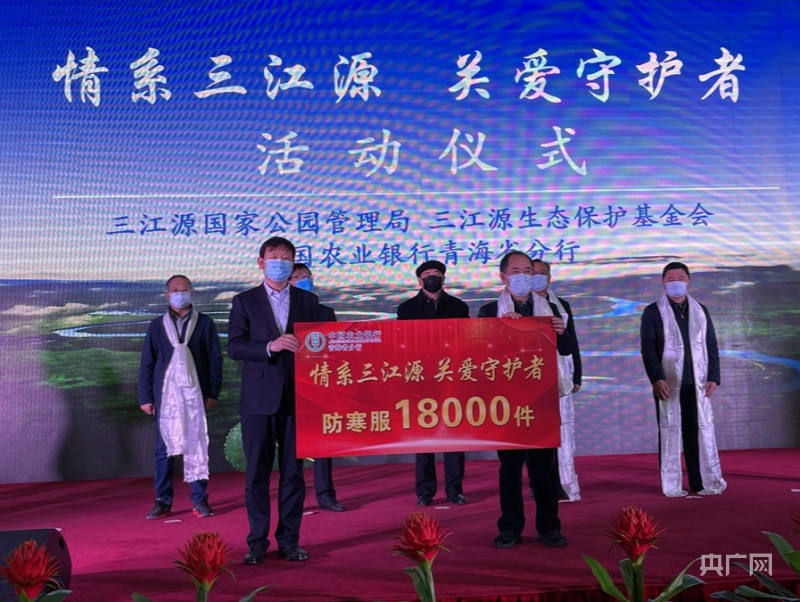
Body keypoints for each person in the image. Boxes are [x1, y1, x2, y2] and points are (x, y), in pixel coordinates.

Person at [228, 237, 323, 565]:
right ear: (261, 262)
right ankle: (257, 541)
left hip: (298, 397)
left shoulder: (308, 301)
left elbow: (322, 344)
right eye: (274, 257)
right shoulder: (244, 301)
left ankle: (289, 540)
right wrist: (270, 346)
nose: (280, 263)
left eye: (286, 258)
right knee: (257, 472)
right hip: (258, 398)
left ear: (293, 263)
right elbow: (235, 346)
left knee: (293, 473)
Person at [478, 251, 575, 548]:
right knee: (509, 469)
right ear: (503, 277)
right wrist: (500, 328)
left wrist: (561, 332)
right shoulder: (489, 310)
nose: (524, 276)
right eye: (517, 271)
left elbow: (567, 349)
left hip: (541, 399)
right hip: (507, 402)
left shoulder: (552, 308)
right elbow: (480, 353)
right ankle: (510, 527)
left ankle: (549, 527)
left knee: (543, 469)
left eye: (528, 271)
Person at [138, 274, 222, 520]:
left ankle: (199, 499)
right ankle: (163, 499)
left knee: (196, 444)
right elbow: (147, 363)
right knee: (164, 448)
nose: (179, 294)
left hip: (196, 395)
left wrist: (212, 392)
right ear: (167, 294)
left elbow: (215, 360)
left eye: (184, 289)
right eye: (175, 290)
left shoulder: (204, 323)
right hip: (165, 397)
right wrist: (146, 397)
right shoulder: (157, 325)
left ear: (191, 293)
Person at [640, 261, 726, 497]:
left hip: (697, 383)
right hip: (668, 383)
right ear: (663, 283)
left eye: (680, 278)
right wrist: (656, 378)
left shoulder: (701, 311)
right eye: (670, 279)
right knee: (670, 432)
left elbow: (711, 345)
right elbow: (648, 349)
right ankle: (671, 484)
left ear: (689, 282)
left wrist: (713, 377)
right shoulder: (653, 312)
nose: (675, 283)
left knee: (695, 433)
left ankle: (699, 482)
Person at [397, 260, 470, 506]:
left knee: (454, 435)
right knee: (424, 436)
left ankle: (455, 490)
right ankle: (425, 491)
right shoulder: (406, 309)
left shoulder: (458, 306)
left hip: (452, 376)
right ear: (419, 281)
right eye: (427, 274)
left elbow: (468, 341)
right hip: (420, 378)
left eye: (436, 274)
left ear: (443, 279)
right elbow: (400, 344)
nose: (432, 277)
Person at [289, 263, 345, 513]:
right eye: (297, 276)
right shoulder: (283, 311)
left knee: (322, 440)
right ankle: (293, 497)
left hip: (319, 381)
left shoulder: (325, 312)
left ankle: (326, 495)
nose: (304, 279)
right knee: (292, 443)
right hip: (289, 382)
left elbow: (335, 348)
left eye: (307, 276)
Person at [525, 259, 582, 502]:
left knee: (561, 430)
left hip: (559, 374)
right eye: (533, 273)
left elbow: (572, 342)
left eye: (542, 273)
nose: (537, 277)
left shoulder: (561, 305)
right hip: (531, 376)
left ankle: (562, 482)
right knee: (538, 433)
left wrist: (577, 375)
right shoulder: (523, 305)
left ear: (549, 278)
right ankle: (538, 483)